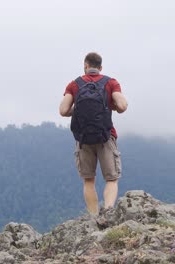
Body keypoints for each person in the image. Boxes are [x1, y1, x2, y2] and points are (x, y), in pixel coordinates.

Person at [59, 52, 128, 216]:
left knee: (89, 180)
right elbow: (123, 106)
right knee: (111, 179)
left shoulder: (74, 85)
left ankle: (93, 216)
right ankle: (109, 211)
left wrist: (78, 110)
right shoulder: (111, 83)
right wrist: (113, 106)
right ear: (101, 67)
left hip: (83, 139)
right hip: (105, 136)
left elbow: (63, 110)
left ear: (85, 66)